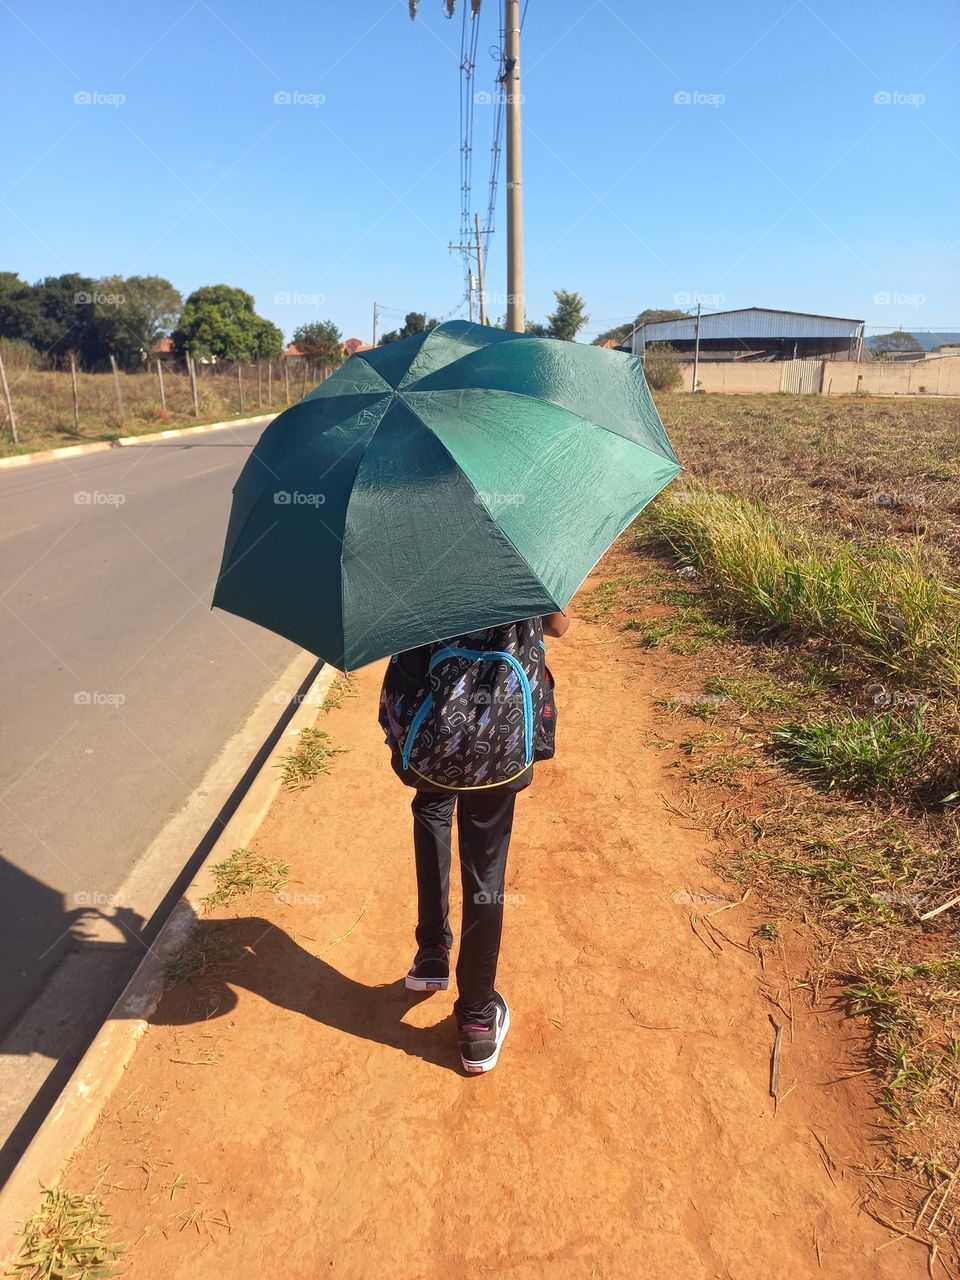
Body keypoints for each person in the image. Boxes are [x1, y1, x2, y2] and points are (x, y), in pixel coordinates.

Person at [379, 610, 569, 1074]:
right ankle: (477, 1019)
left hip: (433, 728)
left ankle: (431, 952)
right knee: (486, 870)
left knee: (431, 807)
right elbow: (558, 626)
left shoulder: (415, 565)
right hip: (501, 735)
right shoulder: (517, 564)